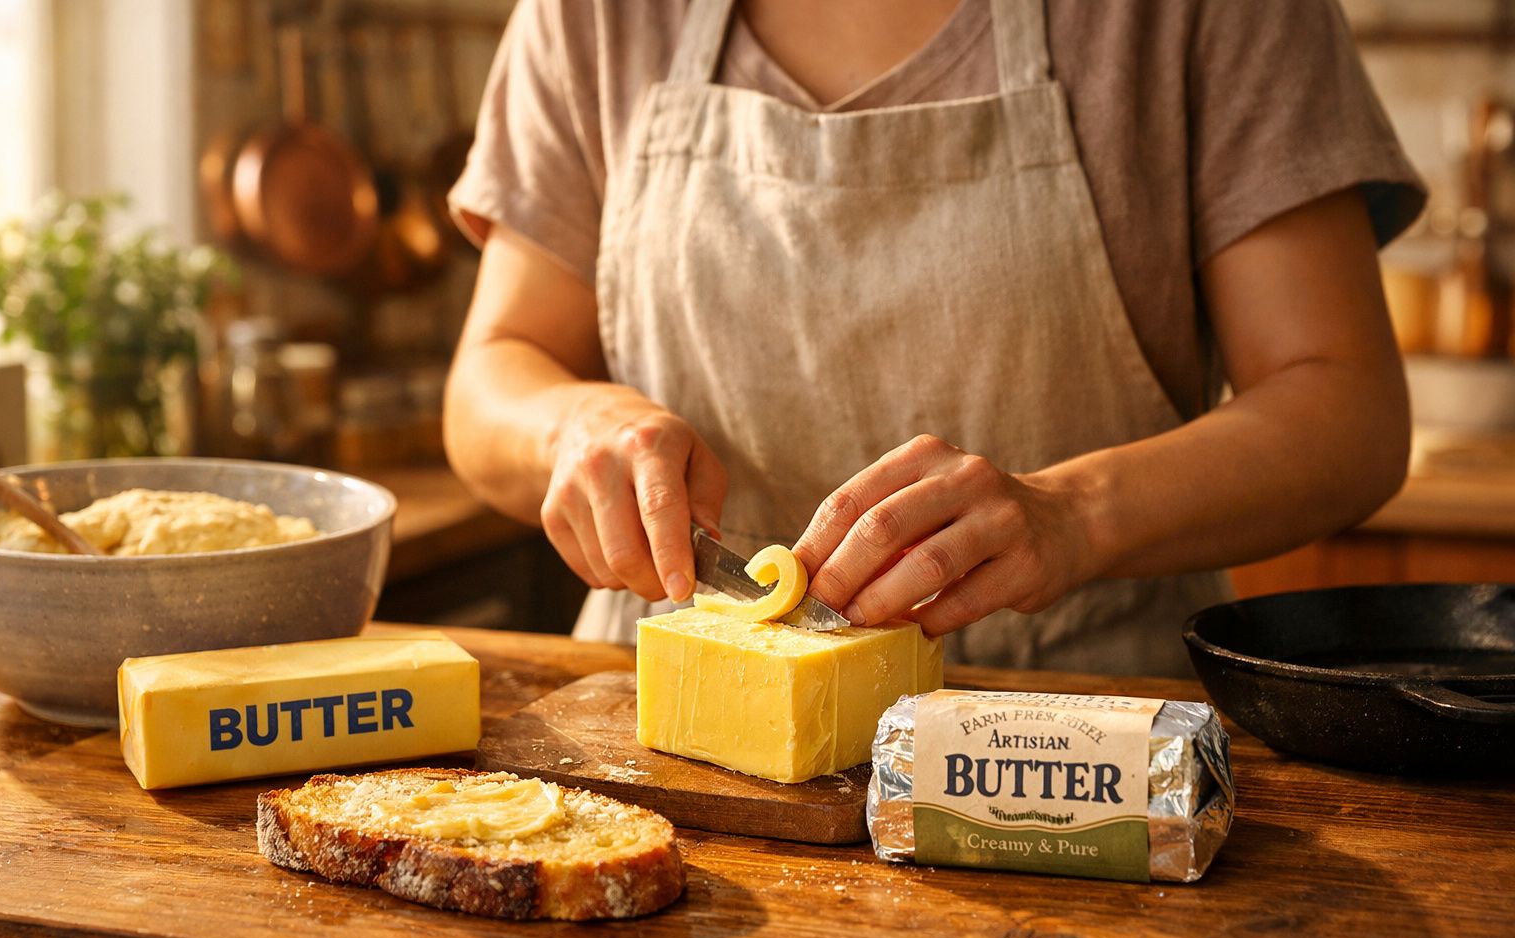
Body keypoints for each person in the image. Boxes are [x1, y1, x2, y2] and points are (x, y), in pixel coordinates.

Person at [444, 0, 1425, 676]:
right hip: (675, 728)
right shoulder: (594, 15)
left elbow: (1347, 406)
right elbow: (494, 371)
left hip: (1073, 751)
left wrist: (1068, 515)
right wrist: (571, 427)